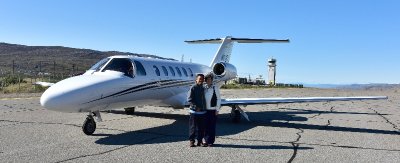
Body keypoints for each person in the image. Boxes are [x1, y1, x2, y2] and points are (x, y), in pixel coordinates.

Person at [187, 73, 207, 147]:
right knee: (193, 127)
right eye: (200, 79)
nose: (201, 80)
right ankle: (192, 141)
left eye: (202, 79)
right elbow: (189, 99)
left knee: (201, 128)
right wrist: (196, 107)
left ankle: (200, 141)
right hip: (194, 112)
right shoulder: (193, 88)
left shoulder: (204, 88)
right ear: (196, 79)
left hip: (202, 112)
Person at [203, 73, 221, 147]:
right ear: (206, 80)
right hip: (205, 110)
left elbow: (219, 99)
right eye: (207, 79)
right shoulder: (204, 88)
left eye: (210, 79)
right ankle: (205, 141)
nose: (209, 81)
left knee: (212, 127)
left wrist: (217, 109)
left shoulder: (215, 88)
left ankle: (210, 141)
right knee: (205, 126)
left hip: (213, 110)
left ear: (212, 80)